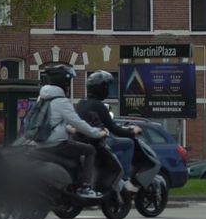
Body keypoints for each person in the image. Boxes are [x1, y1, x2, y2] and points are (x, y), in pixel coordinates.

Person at [33, 64, 108, 200]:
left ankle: (71, 184)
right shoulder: (61, 101)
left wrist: (68, 128)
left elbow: (49, 121)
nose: (69, 85)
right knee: (90, 150)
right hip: (56, 144)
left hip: (39, 143)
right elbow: (78, 123)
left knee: (75, 151)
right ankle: (85, 186)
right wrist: (97, 133)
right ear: (64, 83)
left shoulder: (42, 97)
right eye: (68, 82)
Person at [76, 70, 143, 193]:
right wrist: (132, 132)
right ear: (102, 88)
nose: (107, 90)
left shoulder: (81, 103)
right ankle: (124, 178)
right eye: (106, 86)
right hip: (95, 143)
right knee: (128, 143)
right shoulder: (99, 106)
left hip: (80, 142)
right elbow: (114, 129)